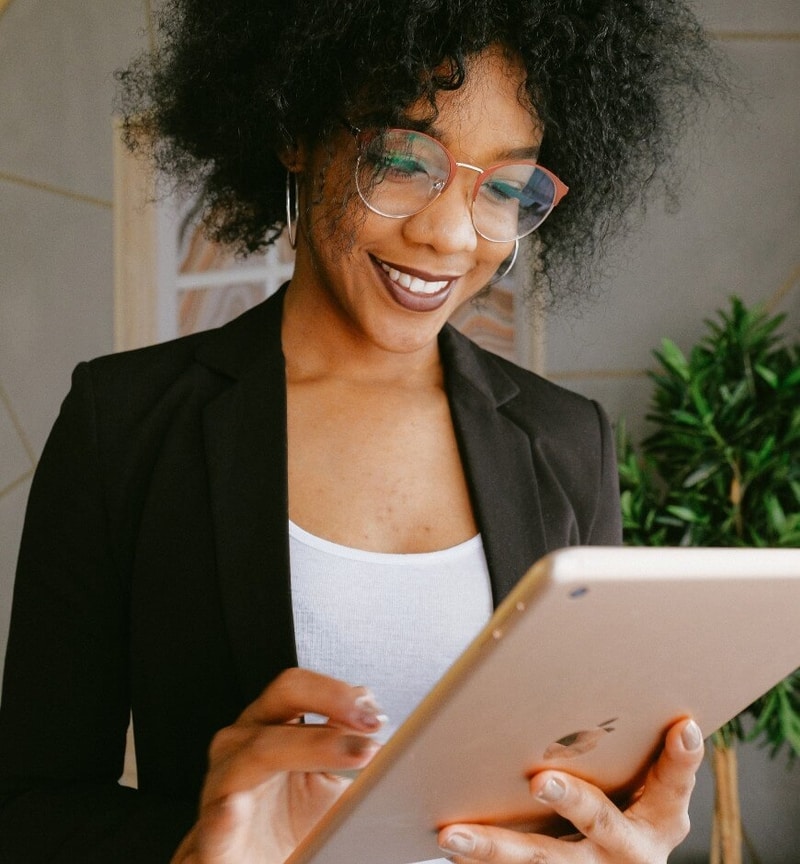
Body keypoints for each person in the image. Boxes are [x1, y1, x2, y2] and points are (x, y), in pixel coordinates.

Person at [0, 1, 722, 862]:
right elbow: (30, 810)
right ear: (294, 130)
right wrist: (199, 846)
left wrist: (623, 840)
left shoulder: (568, 441)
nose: (450, 235)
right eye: (402, 161)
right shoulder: (124, 424)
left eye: (503, 186)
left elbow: (581, 794)